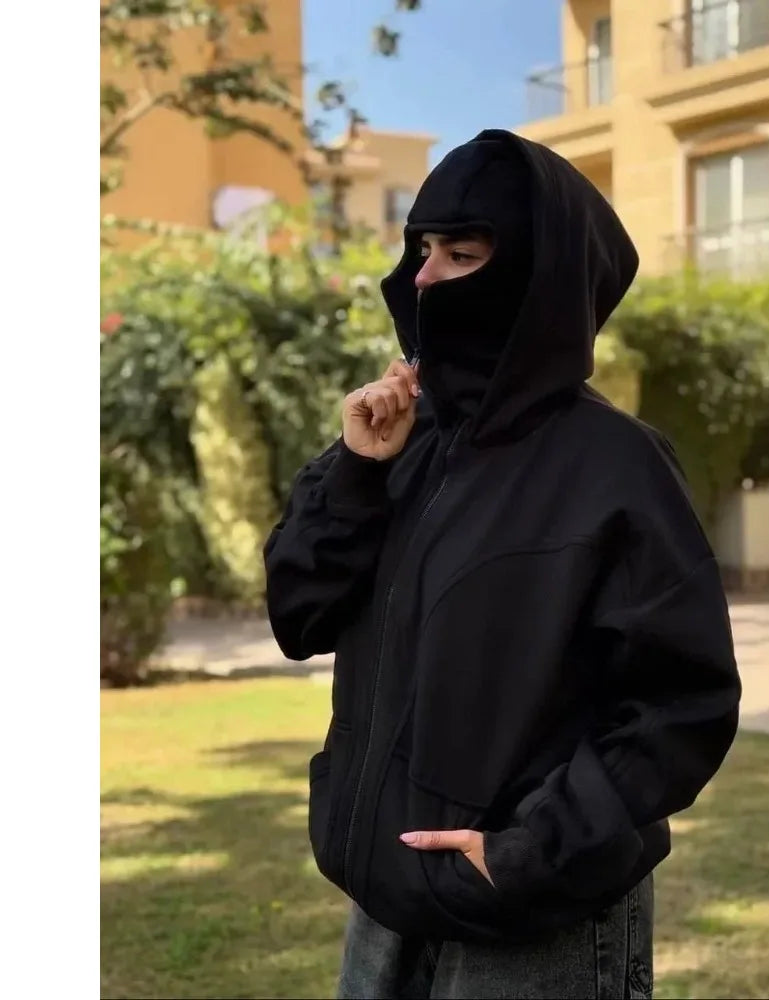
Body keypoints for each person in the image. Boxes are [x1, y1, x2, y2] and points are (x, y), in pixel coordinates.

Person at [263, 129, 742, 999]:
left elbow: (682, 702)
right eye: (421, 249)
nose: (424, 277)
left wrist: (528, 851)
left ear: (533, 276)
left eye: (462, 254)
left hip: (531, 919)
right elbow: (299, 614)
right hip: (383, 902)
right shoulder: (397, 440)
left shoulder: (616, 466)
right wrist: (358, 474)